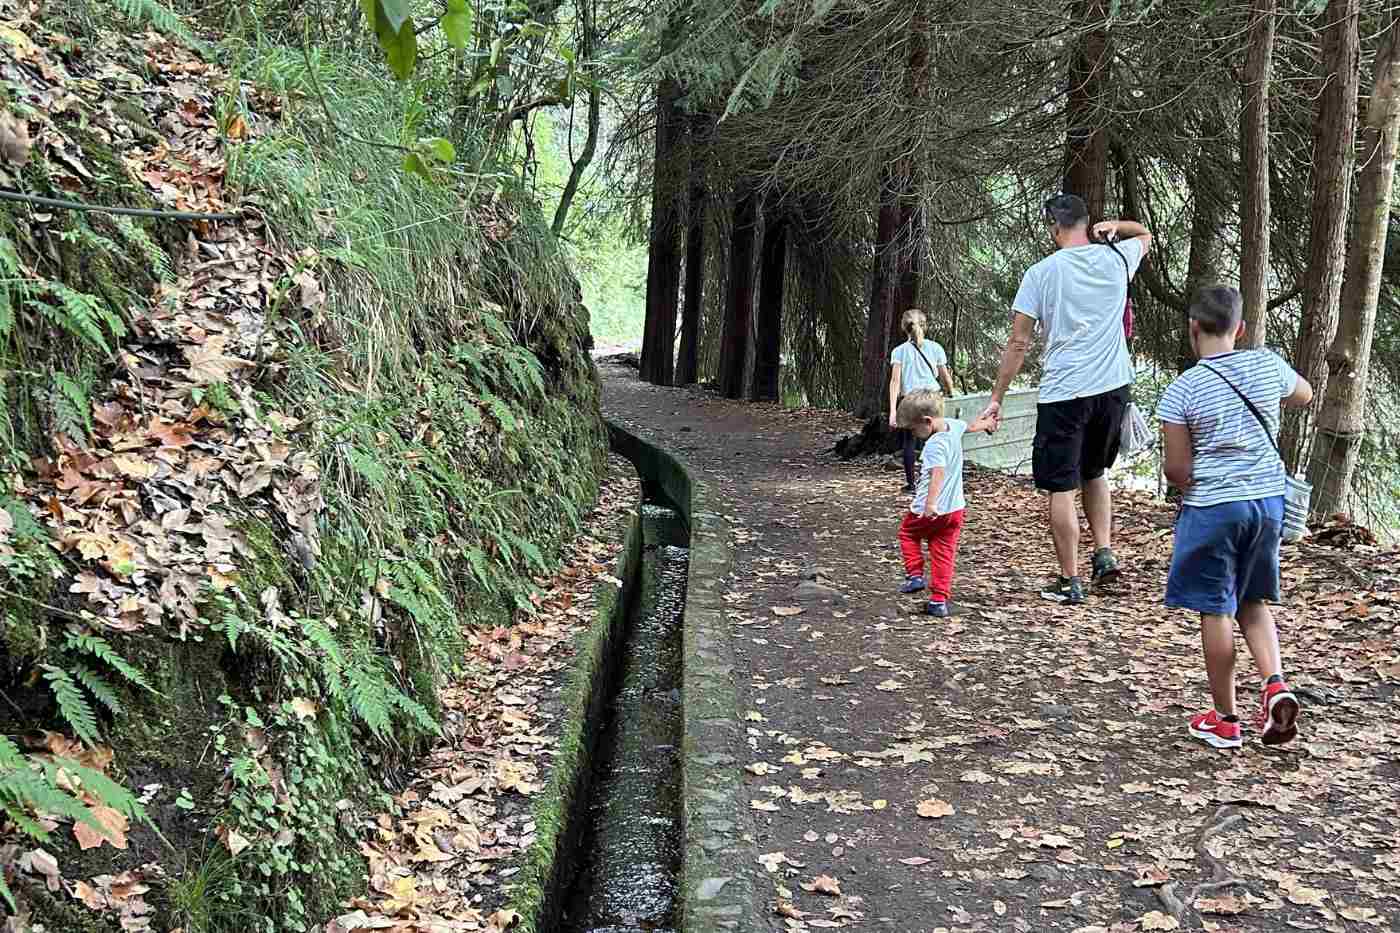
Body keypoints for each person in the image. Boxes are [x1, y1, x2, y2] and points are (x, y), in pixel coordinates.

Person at [1158, 285, 1310, 749]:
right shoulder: (1265, 364)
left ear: (1193, 329)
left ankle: (1225, 720)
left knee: (1216, 607)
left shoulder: (1182, 390)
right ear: (1240, 329)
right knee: (1254, 598)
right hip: (1267, 504)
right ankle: (1275, 684)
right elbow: (1302, 394)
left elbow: (1178, 470)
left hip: (1214, 508)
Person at [979, 193, 1151, 605]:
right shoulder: (1117, 258)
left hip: (1065, 393)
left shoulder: (1041, 273)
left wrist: (997, 397)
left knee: (1061, 486)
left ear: (1053, 227)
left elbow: (1019, 342)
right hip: (1112, 389)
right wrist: (1116, 227)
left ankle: (1070, 580)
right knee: (1095, 473)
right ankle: (1104, 553)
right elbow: (1145, 234)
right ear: (1087, 223)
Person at [895, 388, 995, 618]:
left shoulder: (934, 445)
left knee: (907, 534)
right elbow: (970, 427)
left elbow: (937, 474)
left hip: (930, 509)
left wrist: (930, 505)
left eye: (913, 429)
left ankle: (915, 575)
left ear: (927, 421)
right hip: (955, 510)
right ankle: (939, 600)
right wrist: (987, 423)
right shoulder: (952, 425)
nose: (913, 434)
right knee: (943, 552)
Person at [888, 309, 955, 493]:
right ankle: (936, 483)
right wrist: (951, 392)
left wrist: (893, 411)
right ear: (924, 325)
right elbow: (945, 377)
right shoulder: (936, 348)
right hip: (933, 399)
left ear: (904, 328)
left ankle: (911, 485)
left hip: (910, 399)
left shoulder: (899, 351)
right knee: (937, 440)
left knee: (908, 442)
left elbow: (895, 381)